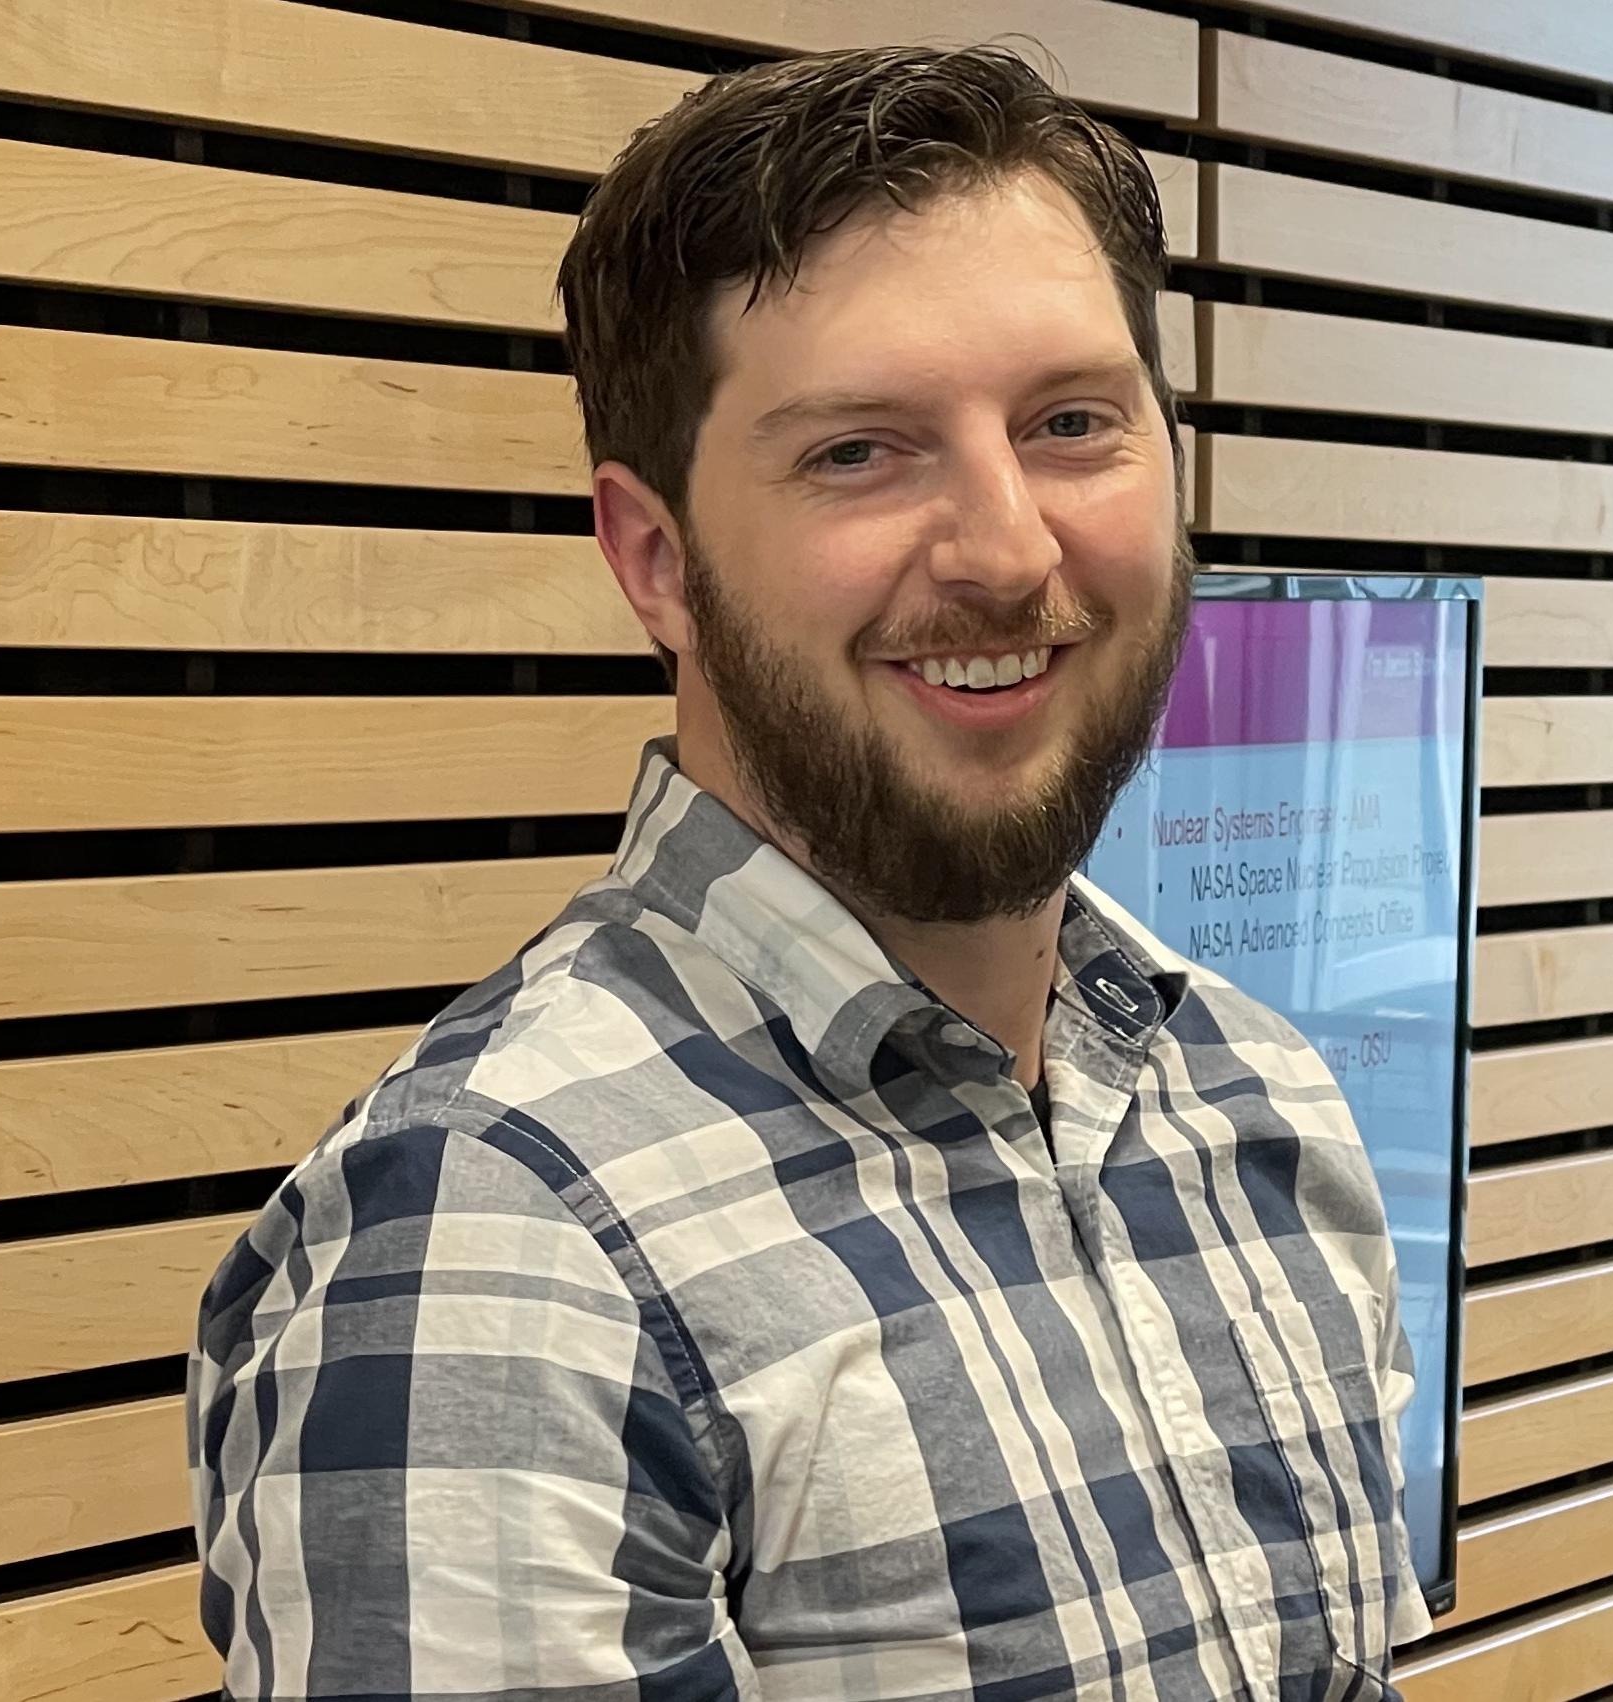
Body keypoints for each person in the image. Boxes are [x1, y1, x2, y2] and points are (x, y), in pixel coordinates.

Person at [188, 46, 1427, 1701]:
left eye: (1073, 423)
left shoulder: (1257, 1107)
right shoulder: (506, 1247)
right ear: (657, 559)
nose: (1006, 548)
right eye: (859, 451)